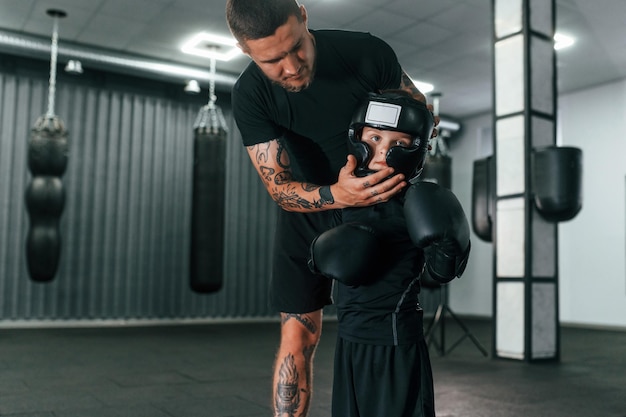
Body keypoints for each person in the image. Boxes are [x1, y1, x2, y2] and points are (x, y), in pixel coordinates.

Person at [225, 1, 438, 415]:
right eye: (273, 60)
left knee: (385, 329)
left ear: (304, 16)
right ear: (244, 48)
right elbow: (279, 186)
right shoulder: (250, 94)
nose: (290, 66)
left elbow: (418, 115)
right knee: (296, 338)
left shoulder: (365, 54)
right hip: (310, 208)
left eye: (296, 47)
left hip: (376, 203)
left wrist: (399, 180)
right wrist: (338, 195)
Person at [308, 91, 471, 417]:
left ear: (416, 149)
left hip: (394, 341)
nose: (384, 150)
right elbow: (327, 256)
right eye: (376, 137)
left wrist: (448, 250)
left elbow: (438, 274)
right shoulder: (347, 196)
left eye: (399, 142)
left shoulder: (415, 201)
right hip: (350, 339)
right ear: (358, 138)